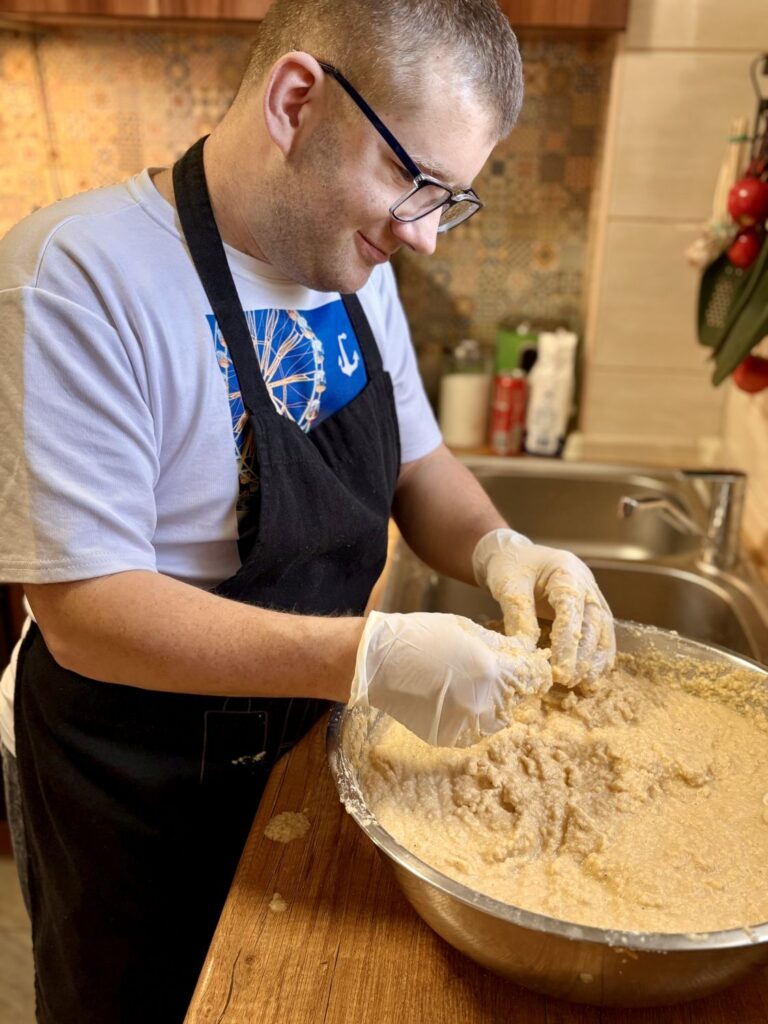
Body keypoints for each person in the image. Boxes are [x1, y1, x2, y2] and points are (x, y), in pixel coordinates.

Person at [0, 0, 615, 1020]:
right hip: (135, 786)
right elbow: (85, 615)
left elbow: (420, 466)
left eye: (449, 201)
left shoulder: (352, 262)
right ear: (296, 102)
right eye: (413, 182)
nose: (424, 237)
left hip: (304, 745)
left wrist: (506, 550)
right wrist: (369, 657)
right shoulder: (75, 279)